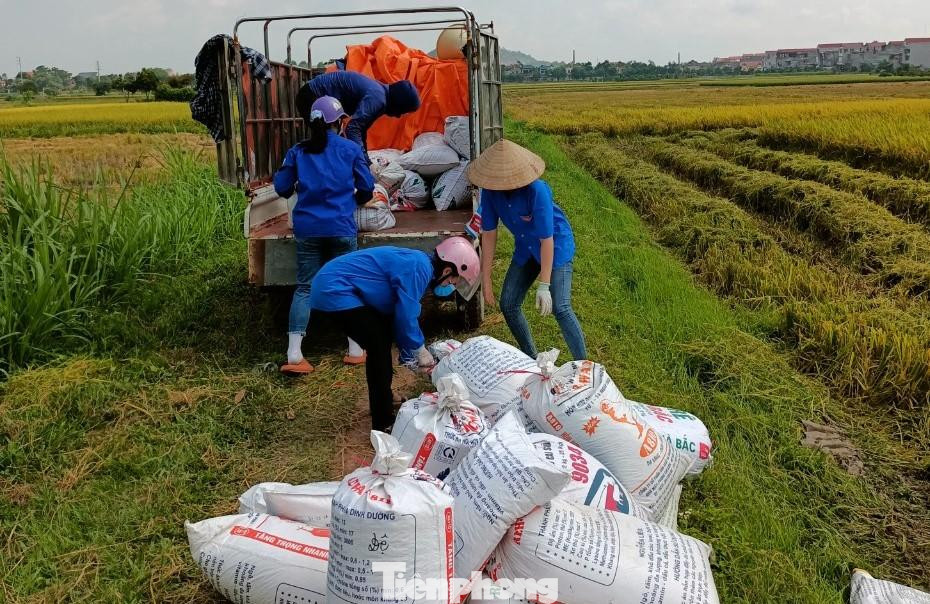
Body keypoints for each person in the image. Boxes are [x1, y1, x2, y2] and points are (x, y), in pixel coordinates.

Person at [308, 238, 480, 431]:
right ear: (447, 270)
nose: (450, 285)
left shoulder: (421, 265)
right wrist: (419, 350)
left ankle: (385, 399)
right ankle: (382, 422)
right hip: (333, 289)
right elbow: (406, 316)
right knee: (378, 346)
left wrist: (408, 353)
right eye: (452, 281)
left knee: (381, 338)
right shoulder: (419, 268)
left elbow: (399, 315)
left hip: (338, 286)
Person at [273, 96, 375, 375]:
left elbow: (281, 188)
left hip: (307, 230)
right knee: (348, 284)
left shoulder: (297, 151)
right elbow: (366, 187)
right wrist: (353, 201)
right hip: (341, 228)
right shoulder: (350, 149)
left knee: (305, 287)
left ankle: (294, 355)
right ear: (341, 122)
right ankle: (355, 350)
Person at [467, 139, 587, 361]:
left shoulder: (537, 191)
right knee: (509, 304)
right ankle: (531, 357)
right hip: (526, 248)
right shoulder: (491, 192)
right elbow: (490, 233)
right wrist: (486, 277)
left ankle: (584, 366)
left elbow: (547, 240)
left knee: (560, 307)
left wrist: (544, 284)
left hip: (555, 246)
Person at [296, 71, 421, 159]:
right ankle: (307, 175)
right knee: (323, 142)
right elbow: (352, 128)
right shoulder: (378, 98)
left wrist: (365, 158)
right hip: (311, 96)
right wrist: (363, 162)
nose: (398, 116)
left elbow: (361, 131)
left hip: (317, 95)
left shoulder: (380, 94)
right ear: (398, 103)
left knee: (325, 142)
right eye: (402, 111)